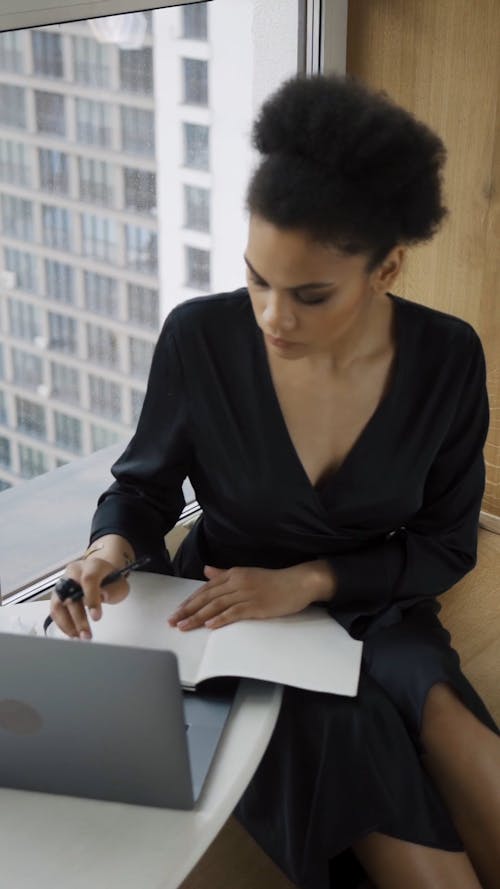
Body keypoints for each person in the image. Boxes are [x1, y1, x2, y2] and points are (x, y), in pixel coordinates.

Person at [50, 73, 500, 889]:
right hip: (233, 613)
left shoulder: (447, 359)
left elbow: (442, 542)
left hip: (375, 596)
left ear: (388, 268)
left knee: (455, 734)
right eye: (257, 277)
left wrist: (310, 581)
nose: (272, 317)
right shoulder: (199, 339)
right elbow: (145, 489)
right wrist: (108, 548)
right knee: (357, 742)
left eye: (310, 294)